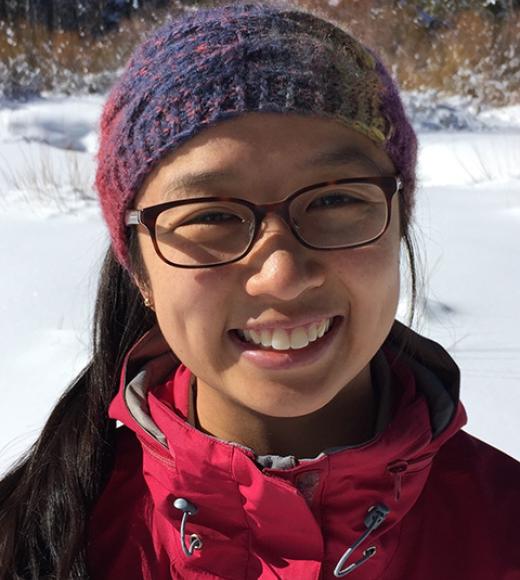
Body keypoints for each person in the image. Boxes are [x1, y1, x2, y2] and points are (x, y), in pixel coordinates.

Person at [1, 2, 519, 579]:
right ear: (141, 269)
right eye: (212, 216)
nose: (282, 275)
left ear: (398, 222)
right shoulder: (32, 539)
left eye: (335, 200)